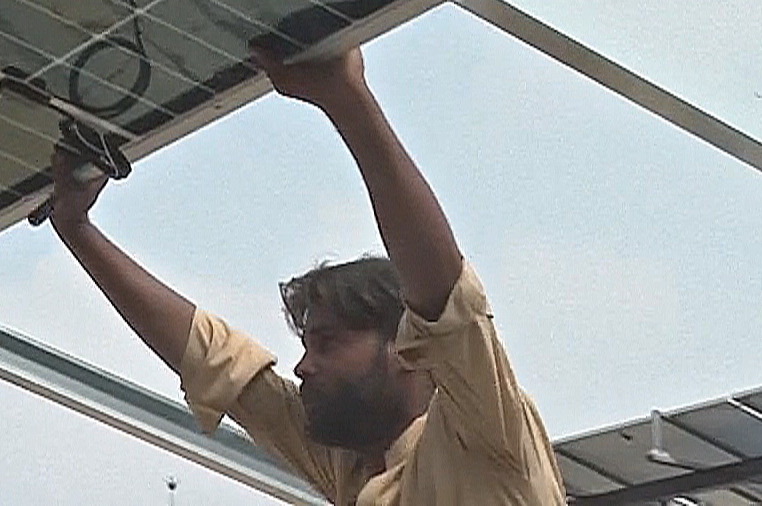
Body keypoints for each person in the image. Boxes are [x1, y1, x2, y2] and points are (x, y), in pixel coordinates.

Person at [48, 45, 565, 505]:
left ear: (406, 350)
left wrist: (347, 98)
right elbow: (216, 360)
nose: (302, 368)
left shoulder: (483, 438)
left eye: (328, 343)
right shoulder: (356, 466)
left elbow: (443, 296)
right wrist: (75, 229)